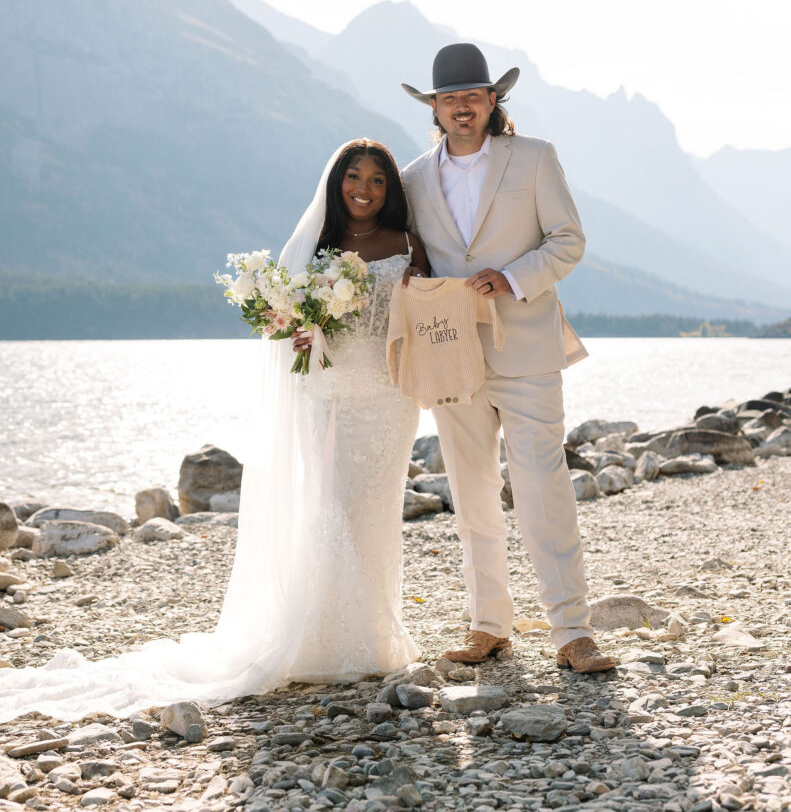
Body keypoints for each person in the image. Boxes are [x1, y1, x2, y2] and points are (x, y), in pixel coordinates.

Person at [0, 138, 429, 723]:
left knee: (375, 508)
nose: (365, 189)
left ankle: (375, 634)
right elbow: (287, 323)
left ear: (392, 190)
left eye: (378, 180)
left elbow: (425, 313)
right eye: (355, 177)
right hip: (328, 394)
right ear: (337, 184)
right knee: (332, 506)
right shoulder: (319, 245)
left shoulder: (408, 244)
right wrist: (302, 331)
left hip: (389, 396)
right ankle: (321, 637)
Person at [400, 43, 615, 673]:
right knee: (470, 494)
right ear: (434, 108)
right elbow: (413, 257)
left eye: (472, 95)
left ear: (494, 101)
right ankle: (489, 625)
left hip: (526, 347)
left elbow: (569, 240)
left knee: (543, 487)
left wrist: (514, 277)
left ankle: (571, 630)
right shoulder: (412, 178)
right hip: (450, 356)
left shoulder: (535, 158)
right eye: (448, 99)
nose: (460, 107)